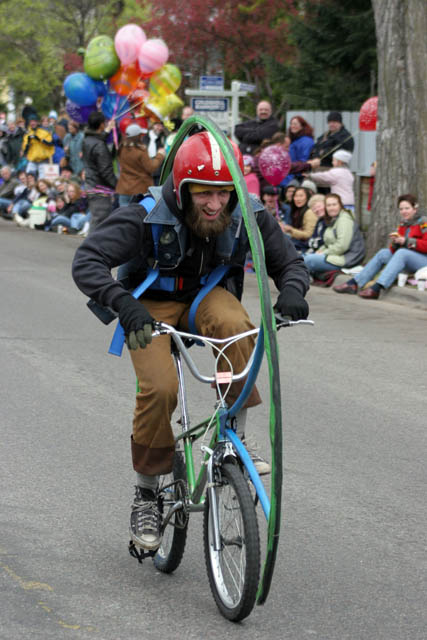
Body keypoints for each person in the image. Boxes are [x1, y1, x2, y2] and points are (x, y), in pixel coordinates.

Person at [72, 131, 309, 552]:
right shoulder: (145, 215)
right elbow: (87, 260)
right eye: (203, 194)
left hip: (207, 298)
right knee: (160, 388)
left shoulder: (248, 214)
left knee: (237, 323)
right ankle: (147, 492)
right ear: (182, 189)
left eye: (224, 192)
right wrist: (123, 303)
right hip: (150, 306)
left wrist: (292, 290)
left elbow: (289, 262)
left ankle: (235, 436)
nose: (215, 204)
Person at [333, 194, 427, 299]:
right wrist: (396, 243)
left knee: (402, 253)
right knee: (383, 253)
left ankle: (377, 288)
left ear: (415, 208)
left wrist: (406, 241)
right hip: (406, 259)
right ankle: (354, 283)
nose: (404, 211)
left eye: (407, 208)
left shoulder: (424, 222)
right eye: (401, 209)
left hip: (423, 261)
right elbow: (394, 251)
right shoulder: (403, 223)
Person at [303, 193, 365, 286]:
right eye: (328, 205)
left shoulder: (344, 220)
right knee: (302, 257)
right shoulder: (333, 219)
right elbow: (328, 243)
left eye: (334, 204)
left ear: (340, 205)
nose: (331, 208)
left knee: (307, 260)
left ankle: (300, 281)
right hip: (335, 255)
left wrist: (324, 253)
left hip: (347, 259)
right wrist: (320, 251)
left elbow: (342, 246)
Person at [82, 111, 117, 231]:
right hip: (100, 188)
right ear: (101, 124)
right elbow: (105, 171)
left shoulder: (87, 139)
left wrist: (107, 131)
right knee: (99, 222)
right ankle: (91, 243)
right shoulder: (99, 145)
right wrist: (117, 185)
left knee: (97, 220)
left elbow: (97, 141)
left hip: (91, 184)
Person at [116, 123, 166, 207]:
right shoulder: (140, 151)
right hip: (139, 188)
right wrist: (160, 155)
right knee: (138, 213)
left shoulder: (121, 148)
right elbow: (151, 167)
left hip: (124, 188)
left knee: (123, 213)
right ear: (138, 136)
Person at [281, 116, 314, 187]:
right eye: (291, 124)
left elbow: (304, 159)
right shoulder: (294, 140)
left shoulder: (306, 141)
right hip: (289, 172)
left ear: (302, 126)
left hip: (296, 175)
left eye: (295, 124)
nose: (292, 126)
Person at [282, 187, 317, 253]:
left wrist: (291, 230)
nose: (298, 199)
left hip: (306, 245)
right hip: (297, 242)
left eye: (301, 196)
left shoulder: (309, 212)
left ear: (307, 197)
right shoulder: (296, 211)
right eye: (296, 196)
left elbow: (309, 235)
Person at [143, 122, 166, 186]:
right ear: (153, 125)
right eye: (158, 125)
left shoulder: (163, 137)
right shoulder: (145, 137)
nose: (160, 128)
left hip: (159, 171)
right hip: (146, 171)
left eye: (161, 126)